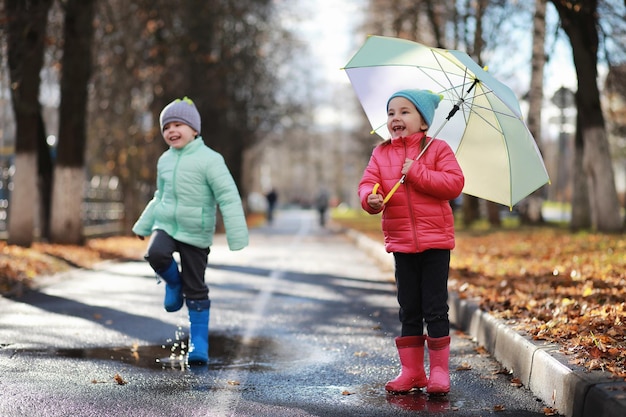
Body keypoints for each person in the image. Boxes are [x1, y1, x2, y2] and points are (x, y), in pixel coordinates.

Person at [358, 89, 464, 395]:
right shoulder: (381, 153)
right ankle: (413, 371)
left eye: (405, 112)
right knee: (409, 308)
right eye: (391, 113)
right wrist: (371, 198)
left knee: (434, 307)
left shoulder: (437, 149)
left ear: (423, 122)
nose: (395, 118)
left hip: (435, 243)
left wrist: (417, 172)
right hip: (402, 242)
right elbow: (367, 183)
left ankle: (440, 372)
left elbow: (454, 184)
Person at [132, 97, 249, 365]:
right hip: (167, 225)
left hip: (196, 232)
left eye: (178, 125)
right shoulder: (164, 161)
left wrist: (237, 235)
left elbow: (228, 196)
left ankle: (199, 343)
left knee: (196, 288)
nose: (171, 131)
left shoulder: (211, 160)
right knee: (156, 255)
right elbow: (160, 195)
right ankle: (174, 283)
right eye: (166, 127)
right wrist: (144, 225)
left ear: (194, 129)